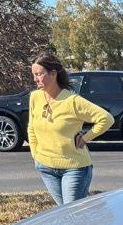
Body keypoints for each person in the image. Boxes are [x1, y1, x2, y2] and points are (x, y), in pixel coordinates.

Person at [27, 53, 113, 204]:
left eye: (39, 74)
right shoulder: (35, 97)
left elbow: (106, 119)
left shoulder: (72, 101)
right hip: (45, 167)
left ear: (53, 74)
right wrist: (35, 154)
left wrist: (86, 138)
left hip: (73, 169)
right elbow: (31, 128)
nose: (35, 79)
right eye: (34, 74)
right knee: (63, 214)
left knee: (72, 214)